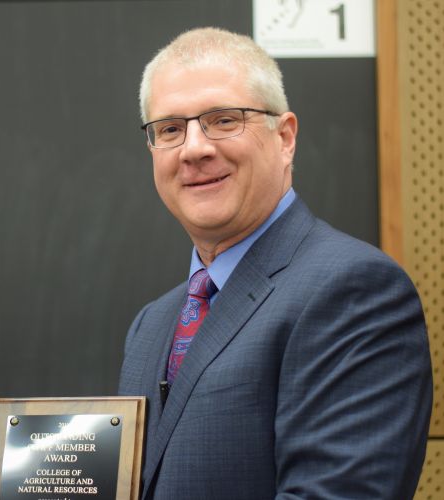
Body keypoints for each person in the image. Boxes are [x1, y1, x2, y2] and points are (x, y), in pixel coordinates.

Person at [118, 27, 432, 499]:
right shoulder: (150, 326)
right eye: (170, 129)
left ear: (284, 137)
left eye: (224, 120)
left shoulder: (354, 291)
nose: (194, 148)